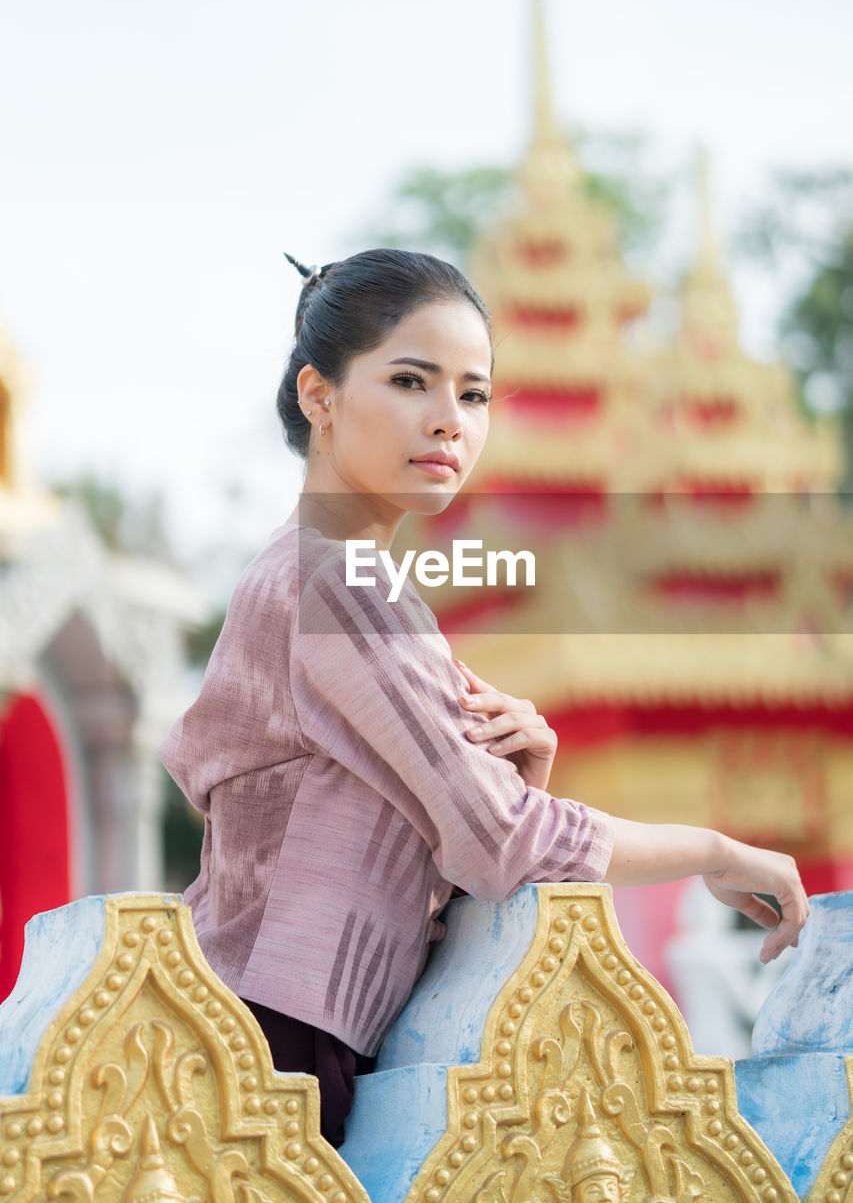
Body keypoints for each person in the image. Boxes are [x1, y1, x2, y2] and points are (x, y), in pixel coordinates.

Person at [157, 248, 809, 1148]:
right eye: (410, 381)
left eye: (473, 395)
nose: (448, 422)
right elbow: (500, 843)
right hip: (281, 1040)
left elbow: (476, 845)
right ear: (319, 395)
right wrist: (715, 849)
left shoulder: (322, 572)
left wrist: (517, 776)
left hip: (271, 1023)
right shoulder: (341, 583)